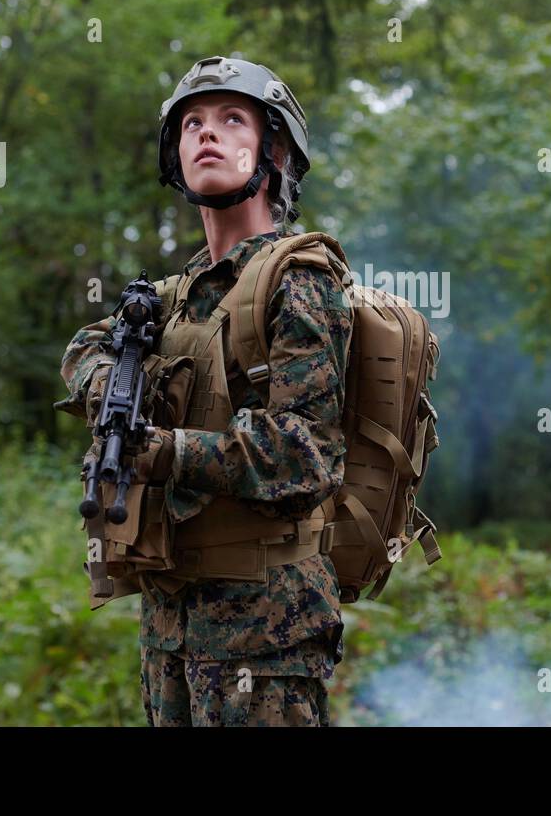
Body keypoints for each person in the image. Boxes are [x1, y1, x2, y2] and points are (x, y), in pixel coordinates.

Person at [56, 55, 351, 726]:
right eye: (191, 124)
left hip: (266, 636)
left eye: (230, 119)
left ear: (274, 149)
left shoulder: (299, 280)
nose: (206, 134)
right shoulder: (170, 299)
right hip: (170, 630)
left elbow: (304, 457)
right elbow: (82, 350)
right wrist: (112, 392)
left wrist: (162, 451)